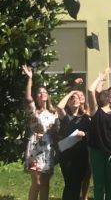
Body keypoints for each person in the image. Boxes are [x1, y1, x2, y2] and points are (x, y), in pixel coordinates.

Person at [22, 65, 58, 200]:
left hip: (49, 148)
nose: (42, 93)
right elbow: (28, 98)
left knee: (45, 183)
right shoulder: (34, 112)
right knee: (36, 182)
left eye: (45, 92)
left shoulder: (53, 113)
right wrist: (30, 78)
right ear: (36, 97)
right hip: (35, 148)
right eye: (39, 92)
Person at [87, 68, 111, 200]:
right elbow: (91, 90)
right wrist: (100, 78)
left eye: (109, 94)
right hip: (97, 152)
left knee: (110, 184)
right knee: (99, 184)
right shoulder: (96, 111)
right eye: (104, 94)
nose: (107, 95)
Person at [56, 90, 91, 200]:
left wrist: (84, 134)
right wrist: (71, 92)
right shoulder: (65, 117)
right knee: (69, 183)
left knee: (77, 184)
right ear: (68, 102)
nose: (74, 99)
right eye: (72, 98)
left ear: (81, 101)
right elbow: (59, 107)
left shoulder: (85, 117)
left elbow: (91, 133)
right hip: (67, 156)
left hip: (81, 155)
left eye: (76, 98)